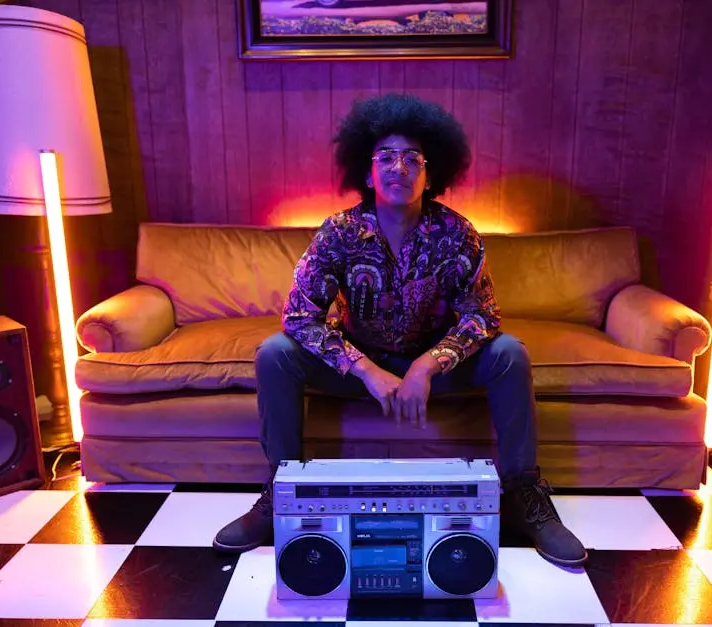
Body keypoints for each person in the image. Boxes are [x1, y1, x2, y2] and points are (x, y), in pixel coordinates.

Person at [213, 93, 587, 567]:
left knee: (510, 352)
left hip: (431, 365)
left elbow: (483, 315)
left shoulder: (457, 233)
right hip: (356, 366)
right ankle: (282, 491)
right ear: (367, 170)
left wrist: (428, 366)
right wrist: (364, 368)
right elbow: (299, 316)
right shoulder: (340, 232)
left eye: (413, 158)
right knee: (274, 352)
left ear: (432, 173)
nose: (399, 167)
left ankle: (523, 496)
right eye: (386, 157)